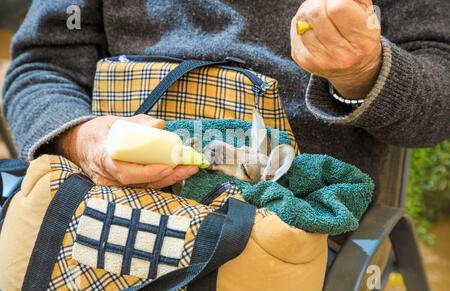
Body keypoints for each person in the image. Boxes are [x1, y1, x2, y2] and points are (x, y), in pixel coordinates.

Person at [2, 0, 449, 195]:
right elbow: (42, 65)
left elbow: (439, 102)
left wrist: (362, 72)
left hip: (293, 231)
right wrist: (84, 139)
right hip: (104, 211)